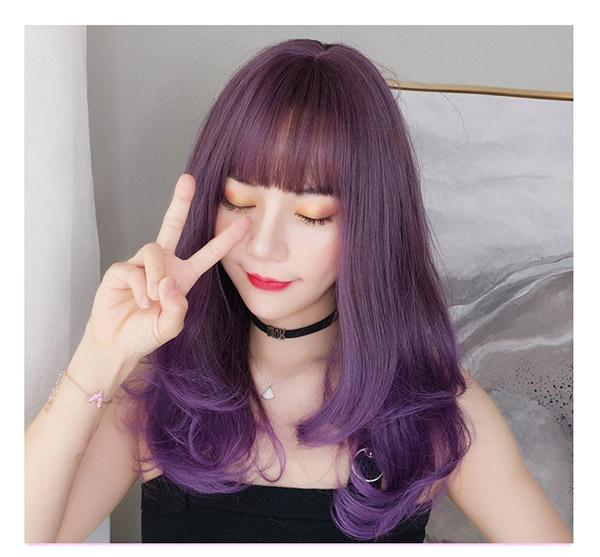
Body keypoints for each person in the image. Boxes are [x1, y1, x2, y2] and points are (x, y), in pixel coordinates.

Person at [25, 38, 573, 543]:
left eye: (312, 215)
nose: (264, 246)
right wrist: (100, 355)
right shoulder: (157, 391)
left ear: (371, 223)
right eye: (240, 202)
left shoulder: (435, 411)